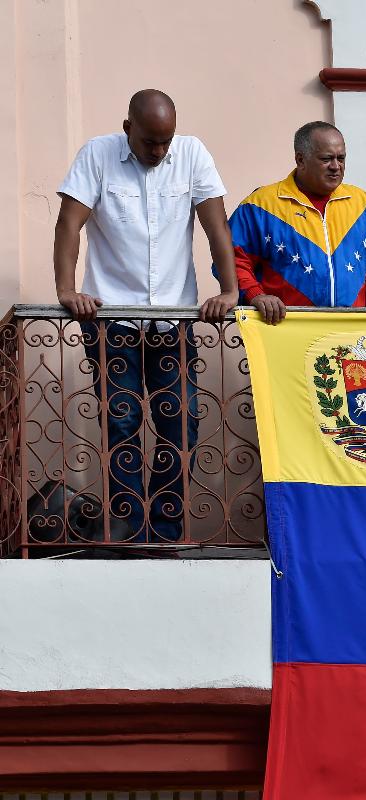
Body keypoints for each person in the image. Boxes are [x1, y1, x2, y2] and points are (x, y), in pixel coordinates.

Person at [53, 89, 239, 543]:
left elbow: (217, 227)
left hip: (172, 320)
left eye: (165, 142)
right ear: (127, 129)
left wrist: (229, 290)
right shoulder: (97, 154)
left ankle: (164, 528)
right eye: (150, 142)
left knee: (182, 421)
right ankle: (130, 527)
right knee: (121, 422)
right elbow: (68, 225)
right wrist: (66, 289)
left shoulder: (192, 153)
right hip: (111, 318)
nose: (159, 151)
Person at [228, 121, 366, 325]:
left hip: (349, 333)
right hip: (283, 330)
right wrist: (255, 294)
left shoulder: (362, 203)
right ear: (300, 160)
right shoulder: (260, 204)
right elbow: (231, 258)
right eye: (326, 159)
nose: (336, 166)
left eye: (341, 158)